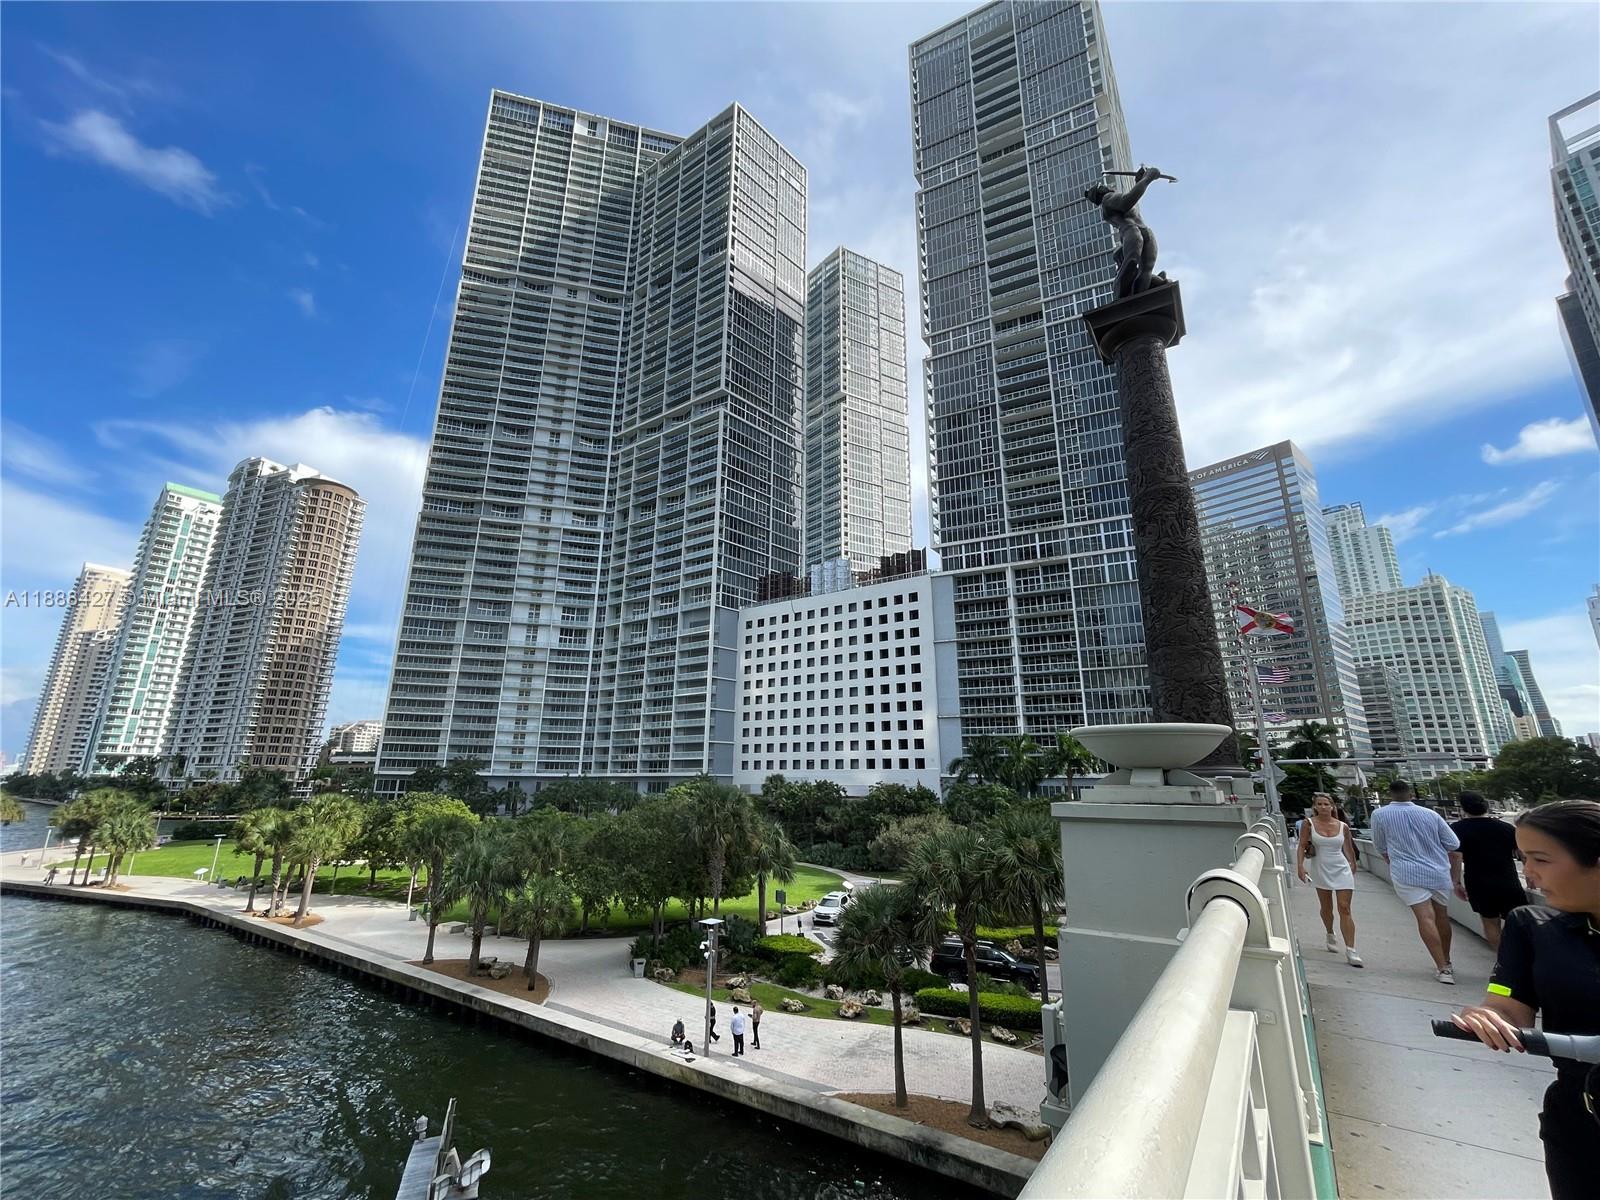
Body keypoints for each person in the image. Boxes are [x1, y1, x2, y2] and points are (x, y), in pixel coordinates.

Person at [1449, 800, 1600, 1200]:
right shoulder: (1530, 927)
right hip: (1579, 1118)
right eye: (1523, 858)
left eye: (1540, 859)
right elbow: (1505, 1001)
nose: (1528, 874)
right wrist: (1486, 1015)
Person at [1370, 779, 1465, 984]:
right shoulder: (1431, 814)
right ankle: (1447, 961)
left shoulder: (1380, 814)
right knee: (1442, 916)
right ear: (1411, 794)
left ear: (1390, 794)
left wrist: (1391, 857)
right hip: (1438, 870)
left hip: (1406, 871)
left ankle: (1441, 968)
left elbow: (1379, 844)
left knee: (1425, 917)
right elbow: (1453, 843)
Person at [1450, 791, 1529, 952]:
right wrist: (1529, 876)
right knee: (1517, 921)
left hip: (1478, 883)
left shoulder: (1458, 828)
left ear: (1463, 808)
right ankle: (1520, 959)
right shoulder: (1506, 827)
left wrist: (1456, 882)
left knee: (1490, 922)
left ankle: (1503, 961)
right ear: (1486, 806)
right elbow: (1523, 853)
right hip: (1509, 881)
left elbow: (1456, 856)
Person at [1296, 793, 1363, 967]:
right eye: (1320, 804)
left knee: (1344, 907)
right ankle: (1330, 932)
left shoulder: (1342, 826)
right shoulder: (1308, 824)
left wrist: (1352, 864)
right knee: (1327, 908)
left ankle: (1351, 949)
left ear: (1332, 806)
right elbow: (1302, 845)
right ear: (1315, 807)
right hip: (1320, 868)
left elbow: (1348, 847)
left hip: (1341, 868)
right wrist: (1300, 866)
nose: (1324, 807)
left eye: (1327, 804)